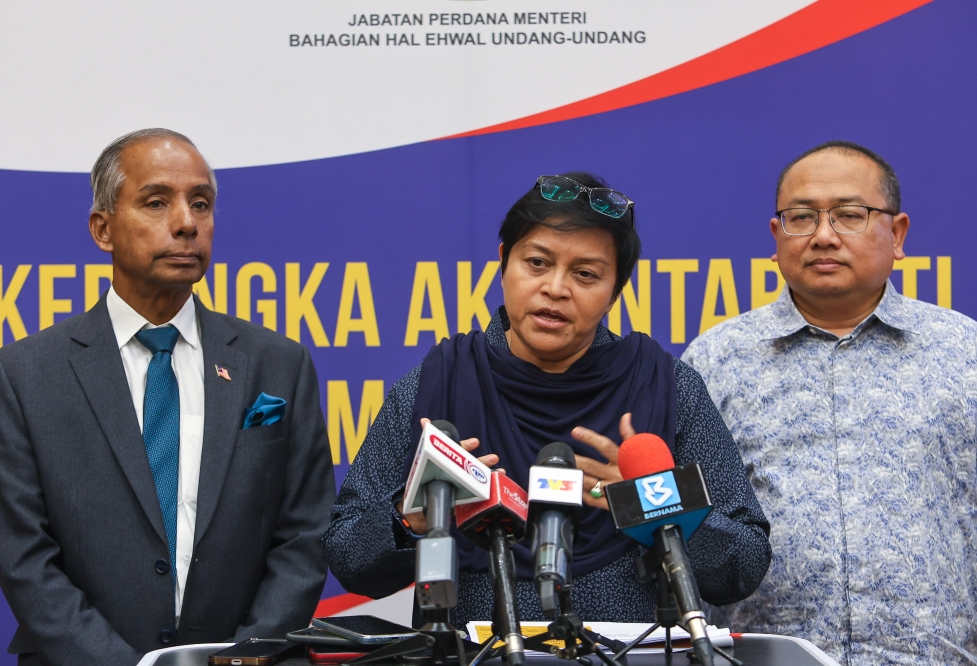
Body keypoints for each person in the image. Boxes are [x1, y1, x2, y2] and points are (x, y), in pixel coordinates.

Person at [324, 172, 771, 626]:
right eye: (537, 263)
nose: (556, 288)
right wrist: (414, 517)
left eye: (585, 274)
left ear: (615, 290)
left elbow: (742, 567)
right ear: (504, 262)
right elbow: (348, 557)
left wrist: (648, 501)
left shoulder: (666, 386)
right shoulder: (437, 383)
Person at [0, 128, 335, 666]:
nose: (186, 223)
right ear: (103, 229)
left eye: (201, 203)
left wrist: (243, 657)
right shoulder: (24, 375)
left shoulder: (278, 364)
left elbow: (304, 537)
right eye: (156, 202)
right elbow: (27, 560)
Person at [682, 141, 977, 665]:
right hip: (765, 657)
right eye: (801, 218)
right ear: (776, 238)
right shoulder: (715, 360)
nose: (822, 236)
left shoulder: (964, 352)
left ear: (898, 233)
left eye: (849, 215)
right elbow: (694, 531)